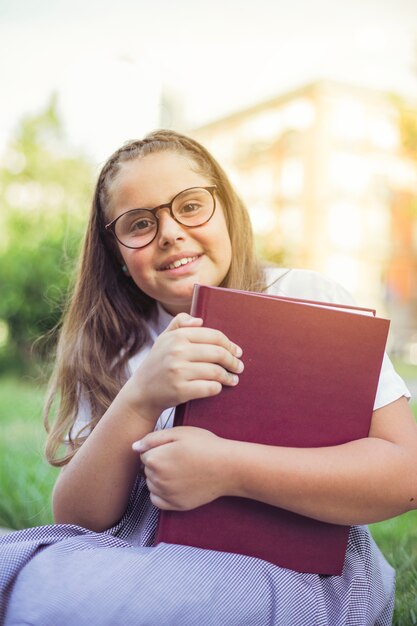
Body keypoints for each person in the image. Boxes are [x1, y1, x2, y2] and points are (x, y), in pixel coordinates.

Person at [1, 129, 416, 626]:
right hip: (129, 550)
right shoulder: (112, 345)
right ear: (117, 255)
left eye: (191, 205)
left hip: (286, 565)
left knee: (106, 608)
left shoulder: (305, 296)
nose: (171, 232)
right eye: (139, 223)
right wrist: (139, 399)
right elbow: (78, 519)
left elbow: (404, 475)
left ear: (227, 210)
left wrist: (228, 468)